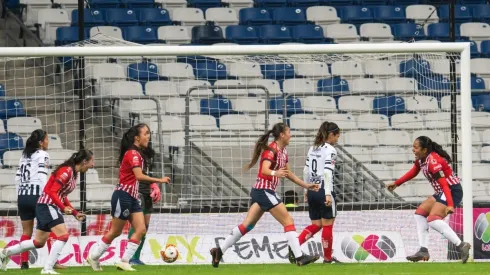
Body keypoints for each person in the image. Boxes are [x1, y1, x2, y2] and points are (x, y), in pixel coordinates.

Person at [210, 122, 321, 268]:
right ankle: (299, 257)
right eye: (289, 132)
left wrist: (306, 185)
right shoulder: (271, 150)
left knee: (247, 226)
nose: (291, 135)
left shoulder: (283, 152)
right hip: (264, 191)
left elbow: (288, 174)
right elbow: (264, 170)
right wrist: (276, 173)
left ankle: (219, 251)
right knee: (288, 221)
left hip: (260, 191)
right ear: (282, 135)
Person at [87, 123, 170, 271]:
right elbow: (139, 176)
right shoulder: (132, 154)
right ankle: (93, 257)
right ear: (137, 138)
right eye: (146, 133)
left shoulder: (138, 153)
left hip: (132, 197)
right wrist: (159, 180)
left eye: (149, 133)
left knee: (141, 229)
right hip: (122, 196)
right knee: (115, 231)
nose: (148, 136)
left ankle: (125, 261)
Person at [0, 149, 94, 274]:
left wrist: (74, 213)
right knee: (63, 236)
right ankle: (47, 268)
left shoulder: (73, 173)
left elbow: (62, 194)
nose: (93, 165)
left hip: (46, 205)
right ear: (84, 161)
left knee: (38, 242)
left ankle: (4, 253)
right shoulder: (67, 171)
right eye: (92, 161)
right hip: (47, 205)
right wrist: (62, 207)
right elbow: (52, 191)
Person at [386, 136, 471, 264]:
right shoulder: (421, 159)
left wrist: (450, 204)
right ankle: (423, 250)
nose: (413, 150)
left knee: (433, 219)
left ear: (425, 150)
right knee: (420, 214)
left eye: (416, 147)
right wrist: (397, 183)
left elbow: (445, 185)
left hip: (452, 190)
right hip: (442, 191)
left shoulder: (433, 161)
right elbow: (414, 171)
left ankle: (461, 245)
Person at [291, 121, 342, 264]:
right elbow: (327, 172)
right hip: (324, 189)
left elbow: (306, 170)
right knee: (327, 224)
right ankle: (327, 259)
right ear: (331, 134)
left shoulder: (312, 148)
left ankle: (295, 247)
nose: (337, 139)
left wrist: (306, 189)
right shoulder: (330, 150)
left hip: (312, 189)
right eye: (337, 136)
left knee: (316, 224)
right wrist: (327, 193)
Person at [14, 129, 49, 270]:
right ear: (41, 142)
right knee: (50, 227)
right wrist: (45, 195)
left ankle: (24, 263)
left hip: (22, 196)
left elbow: (17, 178)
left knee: (26, 232)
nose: (48, 142)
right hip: (36, 195)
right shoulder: (43, 154)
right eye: (47, 139)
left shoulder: (24, 155)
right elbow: (41, 176)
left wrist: (20, 195)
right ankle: (54, 262)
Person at [128, 146, 161, 265]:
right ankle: (131, 257)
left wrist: (153, 186)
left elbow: (146, 175)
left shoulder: (146, 160)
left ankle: (136, 258)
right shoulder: (133, 156)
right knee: (138, 226)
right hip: (137, 192)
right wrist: (157, 182)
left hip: (147, 193)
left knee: (145, 226)